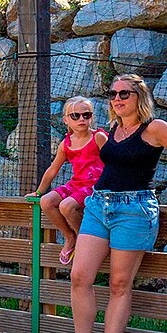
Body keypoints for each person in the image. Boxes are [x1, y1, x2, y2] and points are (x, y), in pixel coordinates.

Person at [50, 74, 167, 333]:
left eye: (125, 94)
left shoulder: (154, 128)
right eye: (113, 94)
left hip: (134, 210)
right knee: (80, 276)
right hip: (98, 206)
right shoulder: (111, 128)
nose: (117, 99)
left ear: (140, 97)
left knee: (119, 284)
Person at [28, 96, 107, 267]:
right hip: (77, 184)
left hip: (95, 187)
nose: (81, 119)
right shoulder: (66, 144)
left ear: (91, 117)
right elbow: (53, 169)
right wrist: (39, 191)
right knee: (46, 201)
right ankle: (70, 236)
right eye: (75, 116)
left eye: (86, 115)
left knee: (66, 206)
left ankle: (83, 238)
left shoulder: (99, 137)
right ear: (66, 120)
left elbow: (114, 162)